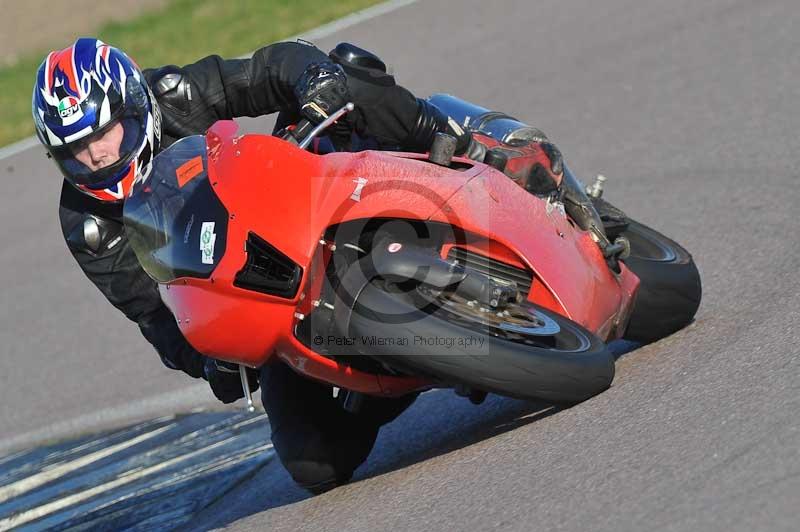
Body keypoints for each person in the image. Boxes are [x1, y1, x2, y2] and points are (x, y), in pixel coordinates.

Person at [32, 37, 570, 493]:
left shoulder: (175, 93)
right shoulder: (88, 225)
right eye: (78, 149)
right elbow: (154, 315)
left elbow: (269, 69)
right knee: (314, 463)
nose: (98, 156)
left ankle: (462, 142)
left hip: (288, 194)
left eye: (105, 134)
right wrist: (209, 360)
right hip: (254, 292)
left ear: (134, 107)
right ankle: (396, 372)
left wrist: (315, 85)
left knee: (347, 73)